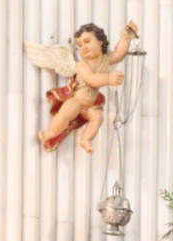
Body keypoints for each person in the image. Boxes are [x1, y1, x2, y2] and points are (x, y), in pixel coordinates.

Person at [38, 20, 139, 154]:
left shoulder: (105, 58)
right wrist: (109, 78)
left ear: (101, 41)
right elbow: (91, 79)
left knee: (98, 118)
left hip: (91, 105)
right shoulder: (82, 65)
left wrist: (126, 37)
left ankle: (86, 139)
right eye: (80, 45)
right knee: (63, 116)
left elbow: (119, 54)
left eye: (87, 41)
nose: (83, 47)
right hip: (78, 100)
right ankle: (50, 132)